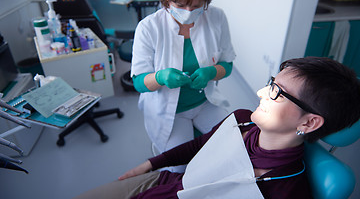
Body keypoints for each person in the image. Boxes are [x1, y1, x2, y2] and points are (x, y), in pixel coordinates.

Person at [74, 57, 360, 199]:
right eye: (271, 82)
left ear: (309, 122)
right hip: (166, 185)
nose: (261, 92)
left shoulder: (285, 191)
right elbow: (199, 146)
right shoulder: (242, 119)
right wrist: (149, 165)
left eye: (276, 92)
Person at [130, 0, 236, 167]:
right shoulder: (148, 28)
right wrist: (160, 77)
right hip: (170, 111)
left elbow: (228, 65)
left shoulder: (216, 18)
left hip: (205, 103)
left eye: (197, 5)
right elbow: (139, 82)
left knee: (233, 144)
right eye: (180, 4)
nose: (188, 11)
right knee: (179, 166)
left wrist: (211, 72)